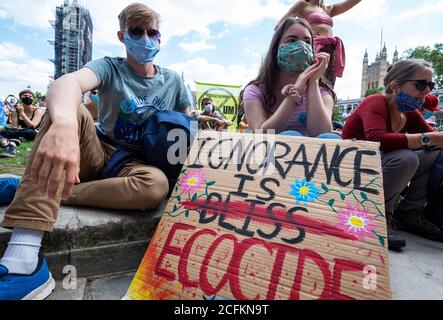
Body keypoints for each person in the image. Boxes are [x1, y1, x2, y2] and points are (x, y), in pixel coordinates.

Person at [0, 3, 192, 300]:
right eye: (136, 31)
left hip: (138, 164)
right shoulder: (110, 67)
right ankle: (23, 261)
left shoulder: (174, 81)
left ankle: (44, 188)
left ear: (160, 38)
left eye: (152, 32)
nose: (145, 38)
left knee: (156, 187)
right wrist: (64, 125)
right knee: (65, 110)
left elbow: (184, 127)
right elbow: (68, 83)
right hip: (97, 150)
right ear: (122, 35)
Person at [342, 59, 443, 251]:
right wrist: (429, 138)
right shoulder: (375, 101)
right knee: (406, 158)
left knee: (436, 155)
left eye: (430, 85)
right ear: (396, 86)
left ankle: (409, 212)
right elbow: (377, 139)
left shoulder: (409, 113)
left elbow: (433, 139)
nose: (427, 91)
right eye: (420, 84)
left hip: (380, 168)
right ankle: (377, 216)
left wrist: (434, 139)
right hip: (354, 170)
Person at [242, 17, 338, 139]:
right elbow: (261, 135)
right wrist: (294, 94)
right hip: (271, 155)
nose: (302, 46)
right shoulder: (255, 90)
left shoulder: (323, 92)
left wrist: (313, 81)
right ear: (276, 47)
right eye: (292, 40)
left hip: (310, 155)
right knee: (291, 136)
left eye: (307, 42)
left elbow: (322, 134)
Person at [276, 0, 362, 86]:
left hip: (330, 49)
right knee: (311, 80)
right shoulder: (303, 5)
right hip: (313, 47)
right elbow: (279, 25)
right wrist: (293, 40)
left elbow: (350, 2)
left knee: (328, 83)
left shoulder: (329, 9)